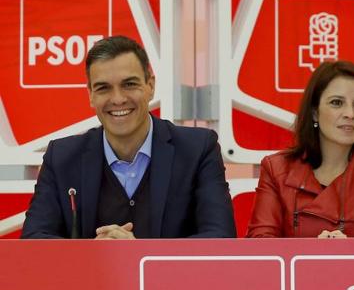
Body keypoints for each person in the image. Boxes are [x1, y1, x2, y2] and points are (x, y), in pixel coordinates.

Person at [21, 36, 236, 239]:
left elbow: (220, 238)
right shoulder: (61, 157)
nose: (118, 99)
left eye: (129, 84)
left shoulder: (198, 150)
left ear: (150, 86)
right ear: (91, 95)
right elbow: (33, 242)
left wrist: (137, 254)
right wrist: (91, 254)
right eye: (104, 88)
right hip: (91, 279)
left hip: (169, 280)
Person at [246, 61, 354, 238]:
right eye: (336, 102)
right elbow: (261, 246)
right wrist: (316, 254)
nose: (350, 113)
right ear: (314, 112)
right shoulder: (276, 168)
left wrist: (350, 252)